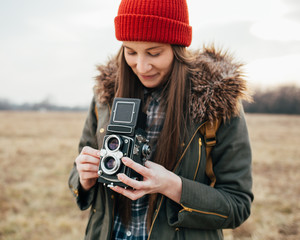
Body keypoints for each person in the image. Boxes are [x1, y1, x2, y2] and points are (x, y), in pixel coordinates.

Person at [68, 0, 254, 239]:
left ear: (177, 48)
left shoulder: (216, 104)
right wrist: (84, 178)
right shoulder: (106, 96)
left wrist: (173, 186)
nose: (142, 66)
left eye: (154, 53)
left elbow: (237, 205)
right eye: (131, 52)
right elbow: (77, 174)